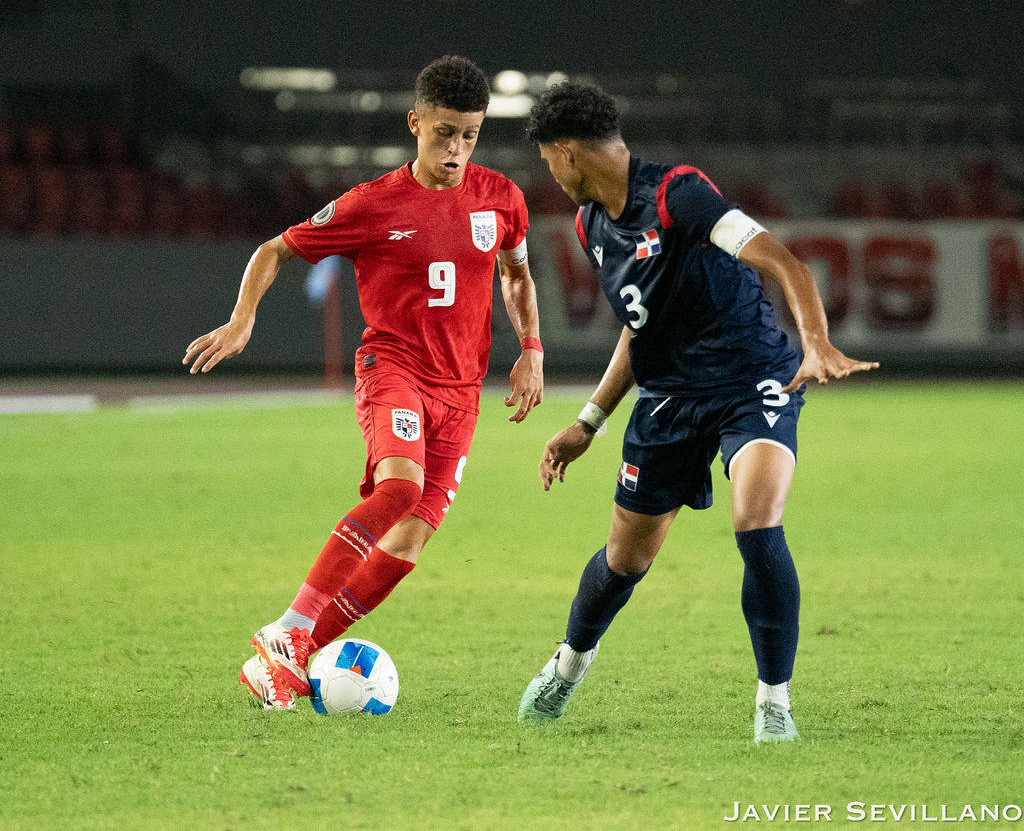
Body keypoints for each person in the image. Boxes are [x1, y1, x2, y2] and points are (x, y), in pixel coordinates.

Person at [516, 81, 877, 742]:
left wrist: (817, 341)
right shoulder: (592, 223)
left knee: (757, 521)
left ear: (567, 152)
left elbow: (784, 262)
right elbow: (640, 328)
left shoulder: (678, 192)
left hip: (752, 382)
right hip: (669, 401)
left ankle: (774, 704)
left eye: (546, 160)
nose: (549, 174)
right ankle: (568, 666)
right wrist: (588, 421)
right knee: (626, 560)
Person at [183, 55, 544, 710]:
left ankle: (277, 666)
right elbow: (275, 249)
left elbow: (517, 276)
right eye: (444, 133)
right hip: (394, 372)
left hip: (462, 394)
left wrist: (532, 348)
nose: (457, 148)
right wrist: (243, 319)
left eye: (469, 134)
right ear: (415, 124)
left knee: (409, 538)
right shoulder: (374, 205)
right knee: (398, 488)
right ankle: (289, 629)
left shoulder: (502, 200)